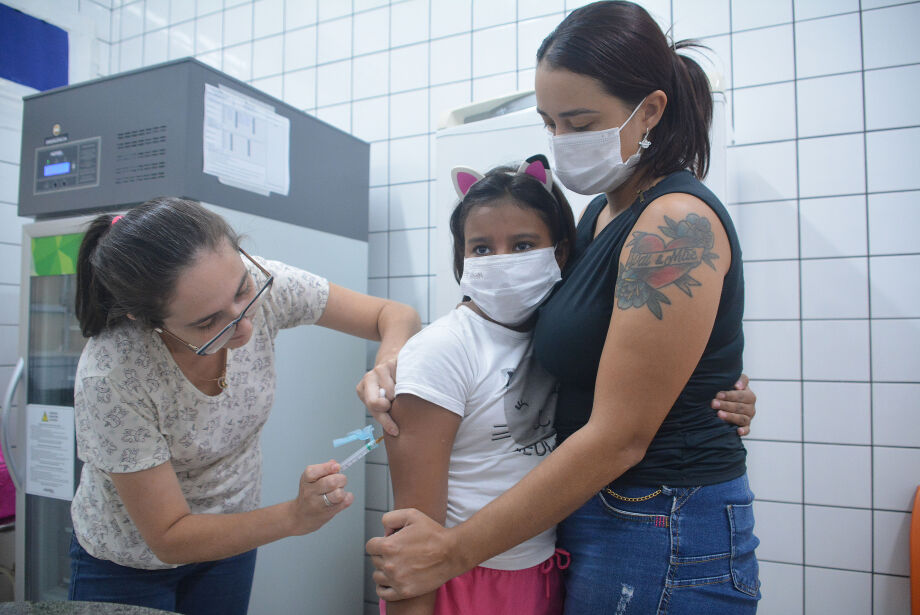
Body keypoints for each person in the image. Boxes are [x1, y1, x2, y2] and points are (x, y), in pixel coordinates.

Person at [366, 2, 761, 613]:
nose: (561, 142)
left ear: (649, 110)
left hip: (661, 520)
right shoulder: (602, 214)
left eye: (579, 123)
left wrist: (451, 553)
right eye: (550, 123)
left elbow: (620, 437)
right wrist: (398, 354)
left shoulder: (674, 223)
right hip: (596, 511)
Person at [69, 197, 420, 614]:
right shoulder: (113, 373)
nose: (246, 325)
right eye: (207, 323)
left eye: (242, 292)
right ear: (143, 320)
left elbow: (394, 314)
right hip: (129, 562)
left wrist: (386, 365)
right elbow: (168, 537)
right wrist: (293, 517)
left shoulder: (259, 285)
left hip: (232, 543)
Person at [383, 155, 575, 615]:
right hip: (458, 580)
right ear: (462, 257)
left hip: (542, 570)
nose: (501, 261)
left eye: (524, 244)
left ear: (560, 253)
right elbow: (414, 528)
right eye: (482, 248)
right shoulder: (442, 350)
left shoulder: (562, 338)